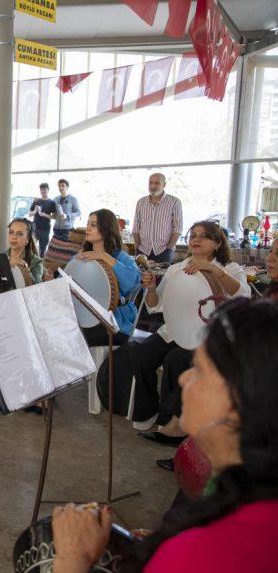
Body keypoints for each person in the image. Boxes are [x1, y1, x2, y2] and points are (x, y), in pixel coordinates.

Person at [50, 297, 278, 573]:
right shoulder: (253, 500)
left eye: (200, 371)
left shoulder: (207, 554)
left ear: (239, 402)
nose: (184, 379)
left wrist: (71, 562)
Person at [133, 221, 249, 443]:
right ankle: (148, 412)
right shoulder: (177, 268)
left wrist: (213, 270)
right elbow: (156, 305)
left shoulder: (230, 268)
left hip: (209, 336)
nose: (195, 239)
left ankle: (174, 423)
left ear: (216, 243)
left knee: (176, 359)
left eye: (203, 236)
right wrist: (150, 289)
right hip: (176, 328)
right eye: (192, 235)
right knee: (141, 354)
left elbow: (242, 296)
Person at [76, 209, 140, 347]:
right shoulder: (83, 255)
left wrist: (104, 256)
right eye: (87, 224)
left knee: (78, 337)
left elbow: (132, 283)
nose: (87, 228)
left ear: (105, 229)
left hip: (115, 323)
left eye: (93, 225)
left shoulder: (122, 257)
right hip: (84, 317)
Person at [132, 173, 183, 263]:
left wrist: (169, 247)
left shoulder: (174, 202)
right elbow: (136, 226)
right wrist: (137, 246)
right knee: (141, 276)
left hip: (163, 250)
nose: (153, 186)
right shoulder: (141, 202)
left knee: (162, 277)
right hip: (142, 250)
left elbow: (178, 228)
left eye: (157, 183)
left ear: (164, 185)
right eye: (151, 183)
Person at [7, 218, 44, 284]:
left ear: (27, 239)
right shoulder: (0, 258)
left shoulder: (36, 262)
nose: (14, 237)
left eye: (20, 234)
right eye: (11, 232)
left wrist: (25, 268)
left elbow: (36, 288)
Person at [28, 183, 58, 257]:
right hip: (35, 226)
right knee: (31, 247)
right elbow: (30, 214)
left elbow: (54, 216)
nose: (42, 191)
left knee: (42, 249)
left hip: (45, 228)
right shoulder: (37, 200)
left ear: (48, 190)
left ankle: (41, 264)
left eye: (44, 189)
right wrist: (35, 211)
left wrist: (45, 215)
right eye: (41, 190)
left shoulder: (51, 202)